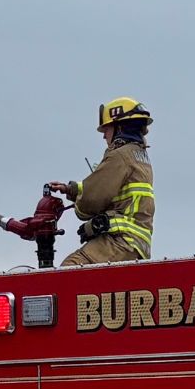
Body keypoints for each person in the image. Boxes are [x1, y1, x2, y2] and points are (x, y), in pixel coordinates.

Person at [46, 96, 156, 266]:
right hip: (136, 245)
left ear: (120, 127)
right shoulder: (139, 156)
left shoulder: (119, 156)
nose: (104, 135)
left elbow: (91, 201)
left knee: (69, 270)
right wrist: (71, 189)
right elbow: (111, 189)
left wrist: (81, 205)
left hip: (119, 242)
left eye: (107, 129)